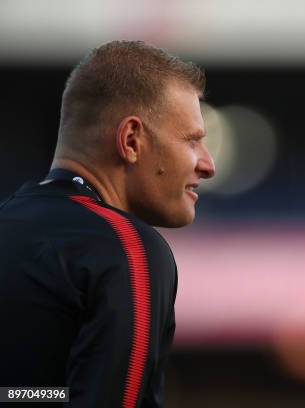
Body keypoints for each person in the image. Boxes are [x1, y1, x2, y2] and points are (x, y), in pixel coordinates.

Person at [0, 41, 215, 407]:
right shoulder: (127, 249)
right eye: (192, 140)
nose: (208, 165)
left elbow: (24, 394)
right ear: (131, 140)